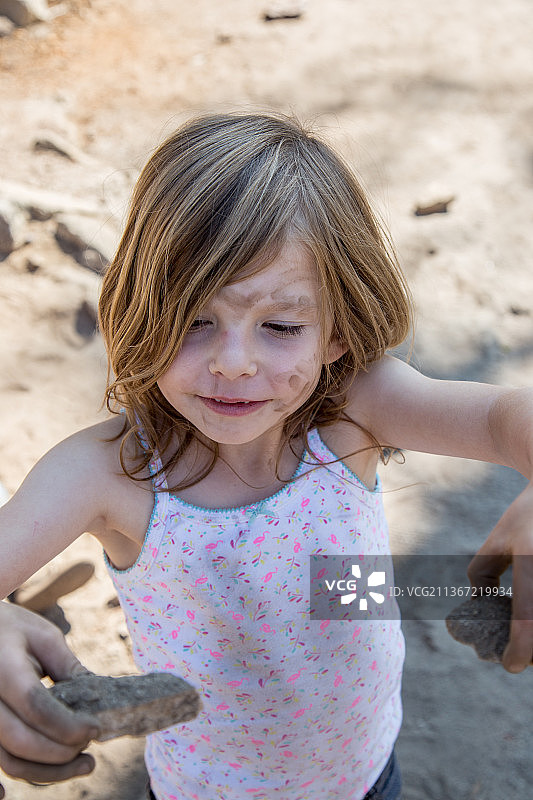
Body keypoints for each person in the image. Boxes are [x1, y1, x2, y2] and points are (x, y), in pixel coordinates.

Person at [0, 112, 532, 800]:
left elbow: (501, 416)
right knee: (318, 585)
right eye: (192, 320)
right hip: (204, 789)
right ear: (138, 308)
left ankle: (452, 593)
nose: (232, 363)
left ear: (336, 334)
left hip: (367, 770)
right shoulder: (105, 472)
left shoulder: (352, 412)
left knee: (331, 584)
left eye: (280, 327)